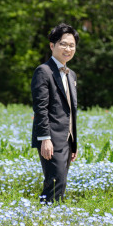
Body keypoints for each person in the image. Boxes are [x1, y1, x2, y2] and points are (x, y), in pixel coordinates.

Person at [31, 23, 79, 203]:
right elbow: (40, 108)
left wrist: (73, 142)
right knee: (55, 182)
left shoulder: (71, 75)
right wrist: (45, 139)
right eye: (63, 44)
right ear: (52, 46)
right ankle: (45, 220)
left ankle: (48, 219)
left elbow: (71, 111)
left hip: (66, 139)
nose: (68, 49)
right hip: (50, 138)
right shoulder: (43, 71)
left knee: (60, 183)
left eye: (72, 45)